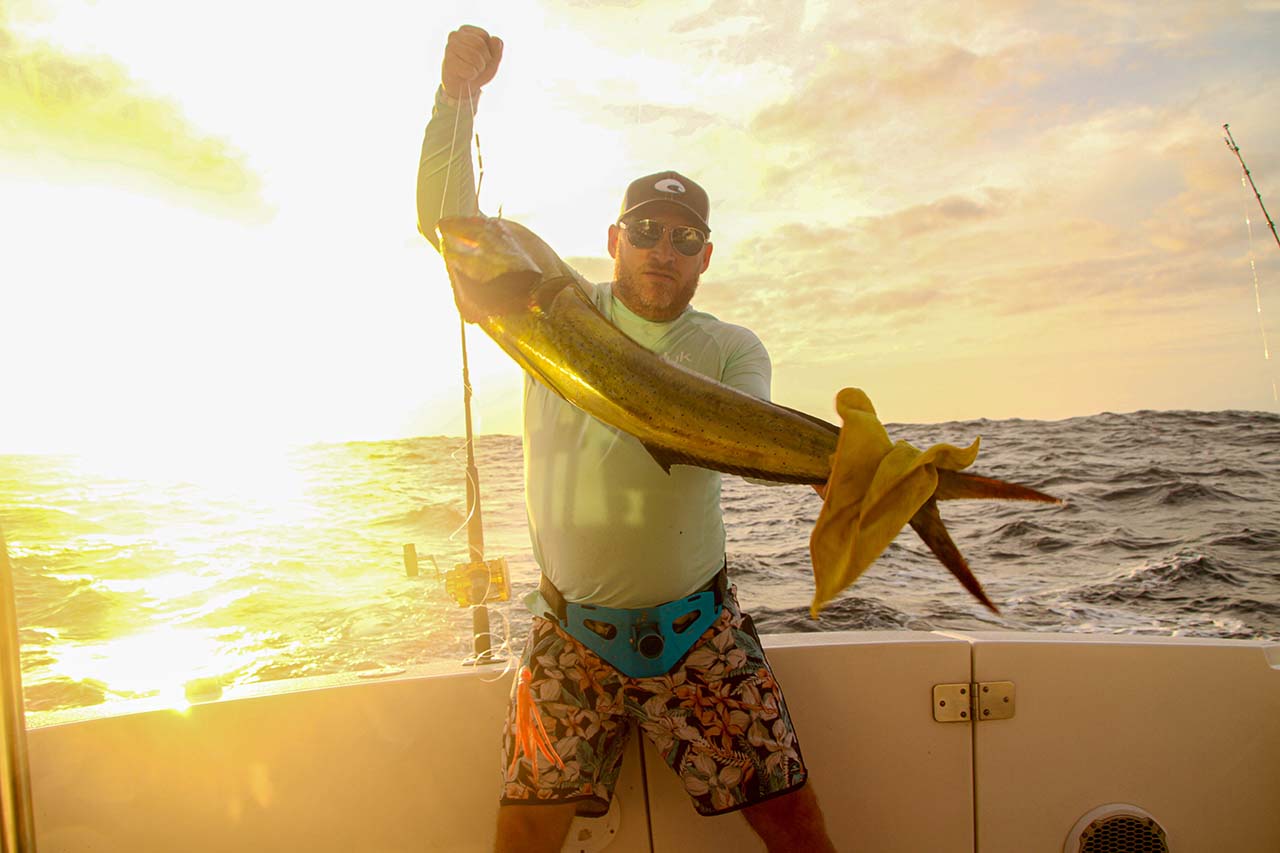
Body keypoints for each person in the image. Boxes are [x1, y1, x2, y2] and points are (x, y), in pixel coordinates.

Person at [417, 25, 836, 853]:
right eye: (645, 231)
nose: (662, 250)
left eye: (684, 239)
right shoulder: (545, 315)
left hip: (701, 633)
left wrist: (838, 466)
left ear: (705, 257)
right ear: (614, 240)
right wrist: (453, 97)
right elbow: (448, 220)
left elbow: (742, 434)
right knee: (522, 838)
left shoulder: (730, 347)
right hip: (569, 635)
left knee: (795, 828)